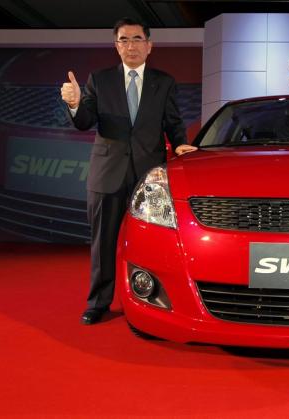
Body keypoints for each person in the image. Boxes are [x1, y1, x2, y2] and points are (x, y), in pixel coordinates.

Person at [60, 17, 197, 325]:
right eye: (124, 39)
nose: (131, 45)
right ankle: (98, 303)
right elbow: (84, 121)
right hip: (107, 173)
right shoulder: (100, 80)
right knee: (103, 242)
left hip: (148, 176)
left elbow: (173, 122)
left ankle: (153, 300)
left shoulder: (164, 82)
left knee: (151, 241)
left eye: (137, 39)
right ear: (116, 46)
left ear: (149, 46)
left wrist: (180, 145)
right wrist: (75, 104)